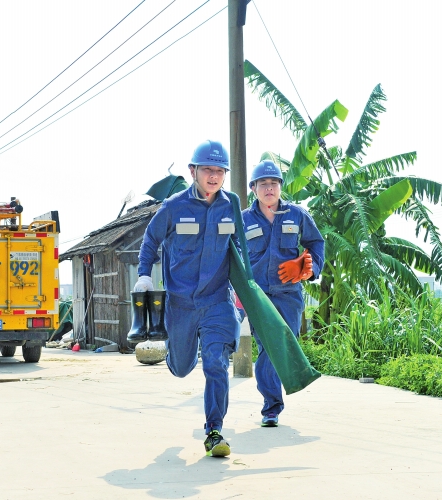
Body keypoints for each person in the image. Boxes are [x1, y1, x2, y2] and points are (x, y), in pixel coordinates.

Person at [135, 140, 240, 457]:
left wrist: (248, 292)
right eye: (208, 169)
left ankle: (214, 431)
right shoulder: (173, 207)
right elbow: (151, 241)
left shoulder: (231, 205)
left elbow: (242, 252)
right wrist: (143, 274)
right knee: (182, 368)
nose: (214, 176)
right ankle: (175, 354)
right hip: (180, 305)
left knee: (216, 363)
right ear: (193, 171)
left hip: (217, 301)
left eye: (220, 170)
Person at [241, 160, 325, 427]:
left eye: (274, 183)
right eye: (263, 184)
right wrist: (237, 289)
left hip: (289, 293)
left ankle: (278, 397)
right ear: (253, 188)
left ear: (281, 186)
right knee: (268, 345)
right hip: (258, 296)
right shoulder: (242, 219)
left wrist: (310, 267)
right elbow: (230, 253)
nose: (269, 188)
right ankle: (272, 407)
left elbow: (316, 243)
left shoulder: (297, 215)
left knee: (283, 342)